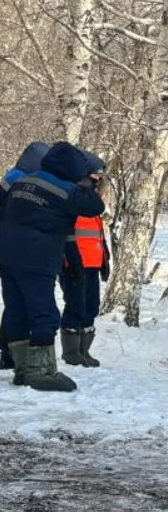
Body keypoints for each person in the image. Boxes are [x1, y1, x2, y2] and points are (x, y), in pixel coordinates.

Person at [0, 141, 104, 392]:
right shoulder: (66, 191)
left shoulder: (23, 182)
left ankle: (22, 368)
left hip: (7, 257)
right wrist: (89, 183)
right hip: (37, 259)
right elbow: (95, 206)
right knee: (45, 314)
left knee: (16, 309)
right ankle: (42, 372)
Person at [0, 142, 51, 370]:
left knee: (13, 305)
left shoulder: (11, 178)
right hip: (16, 251)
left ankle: (9, 353)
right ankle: (11, 354)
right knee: (19, 305)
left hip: (7, 249)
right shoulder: (22, 183)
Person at [60, 152, 109, 368]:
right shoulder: (74, 198)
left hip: (92, 264)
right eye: (95, 178)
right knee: (75, 306)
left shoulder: (91, 202)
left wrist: (104, 261)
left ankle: (84, 350)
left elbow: (98, 236)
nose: (97, 183)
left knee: (91, 307)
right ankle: (71, 353)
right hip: (74, 263)